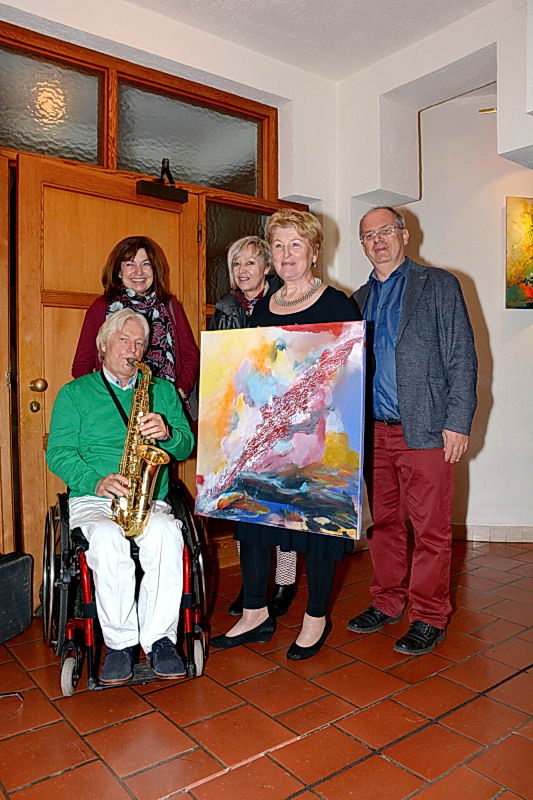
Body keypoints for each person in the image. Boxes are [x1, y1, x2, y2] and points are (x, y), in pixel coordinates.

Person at [211, 209, 362, 660]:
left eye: (296, 244)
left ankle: (316, 618)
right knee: (253, 521)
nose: (286, 253)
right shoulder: (262, 308)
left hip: (318, 435)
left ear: (314, 252)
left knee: (318, 526)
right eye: (278, 245)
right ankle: (255, 613)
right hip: (265, 433)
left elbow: (350, 376)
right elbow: (254, 366)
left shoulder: (338, 305)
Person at [347, 206, 477, 655]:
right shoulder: (358, 300)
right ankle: (386, 601)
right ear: (363, 245)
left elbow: (462, 357)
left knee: (430, 530)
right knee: (383, 525)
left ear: (404, 235)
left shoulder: (438, 285)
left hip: (426, 429)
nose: (378, 240)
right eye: (369, 235)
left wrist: (457, 422)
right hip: (374, 433)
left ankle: (428, 615)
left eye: (386, 230)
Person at [47, 309, 195, 684]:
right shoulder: (74, 394)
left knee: (166, 534)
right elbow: (58, 453)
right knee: (108, 538)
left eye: (139, 343)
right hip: (94, 497)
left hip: (148, 498)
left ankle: (160, 640)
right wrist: (95, 481)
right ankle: (120, 645)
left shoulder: (162, 391)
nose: (133, 350)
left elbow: (185, 445)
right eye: (124, 340)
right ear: (103, 345)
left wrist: (168, 434)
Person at [210, 235, 297, 618]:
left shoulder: (284, 302)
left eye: (250, 262)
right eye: (236, 263)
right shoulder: (224, 309)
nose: (242, 270)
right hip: (240, 418)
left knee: (281, 503)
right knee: (242, 505)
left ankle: (285, 582)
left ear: (267, 268)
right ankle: (252, 584)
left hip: (278, 416)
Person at [72, 235, 199, 412]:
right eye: (130, 264)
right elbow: (81, 365)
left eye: (146, 264)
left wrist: (178, 393)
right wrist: (102, 399)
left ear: (155, 270)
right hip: (115, 408)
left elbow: (191, 356)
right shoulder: (101, 307)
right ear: (119, 271)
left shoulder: (170, 306)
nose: (139, 272)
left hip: (164, 406)